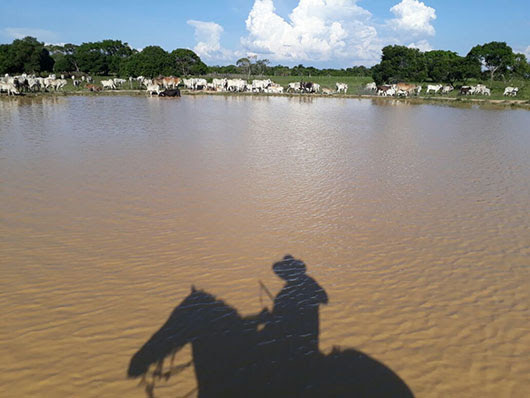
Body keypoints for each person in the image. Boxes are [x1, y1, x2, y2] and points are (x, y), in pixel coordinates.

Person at [261, 255, 328, 359]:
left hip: (298, 334)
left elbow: (324, 299)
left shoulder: (296, 287)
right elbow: (324, 299)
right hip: (309, 331)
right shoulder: (308, 282)